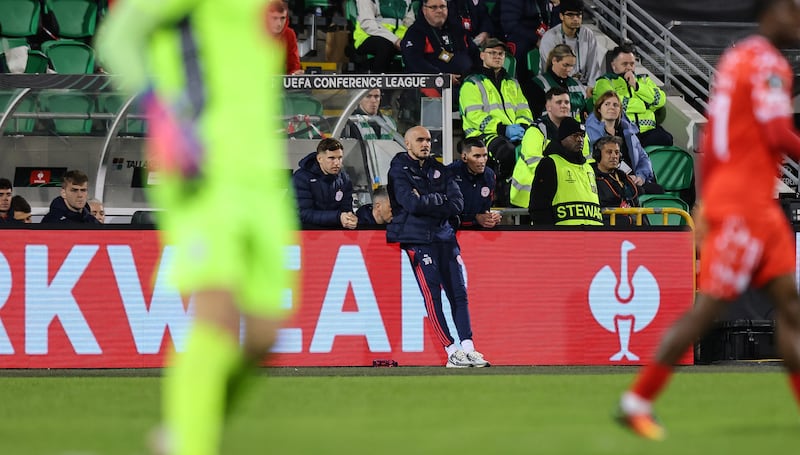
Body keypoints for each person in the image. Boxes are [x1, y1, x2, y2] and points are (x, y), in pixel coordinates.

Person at [96, 0, 299, 453]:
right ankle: (192, 444)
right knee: (218, 313)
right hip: (203, 171)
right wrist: (162, 115)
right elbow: (117, 39)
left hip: (261, 180)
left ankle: (188, 428)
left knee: (265, 336)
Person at [616, 0, 800, 440]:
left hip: (744, 198)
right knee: (712, 305)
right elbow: (777, 133)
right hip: (744, 203)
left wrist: (706, 201)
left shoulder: (737, 59)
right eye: (792, 9)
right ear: (769, 11)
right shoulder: (767, 65)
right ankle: (637, 400)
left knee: (790, 306)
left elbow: (714, 139)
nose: (798, 18)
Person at [387, 125, 490, 368]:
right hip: (418, 239)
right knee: (432, 297)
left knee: (459, 294)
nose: (426, 144)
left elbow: (457, 203)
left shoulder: (439, 169)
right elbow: (410, 204)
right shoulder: (398, 171)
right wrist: (438, 199)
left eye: (429, 140)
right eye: (420, 140)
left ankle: (468, 347)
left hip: (445, 237)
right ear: (407, 143)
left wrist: (429, 200)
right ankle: (450, 350)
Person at [459, 37, 534, 206]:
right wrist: (502, 129)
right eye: (492, 53)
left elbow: (524, 109)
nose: (498, 56)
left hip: (513, 133)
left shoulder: (512, 83)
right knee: (506, 152)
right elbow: (474, 115)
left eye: (501, 53)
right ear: (482, 55)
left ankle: (524, 199)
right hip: (482, 136)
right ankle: (502, 197)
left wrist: (522, 126)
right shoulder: (472, 83)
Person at [510, 87, 590, 208]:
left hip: (562, 196)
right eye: (559, 102)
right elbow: (534, 162)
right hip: (527, 197)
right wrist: (564, 176)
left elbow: (586, 161)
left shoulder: (579, 130)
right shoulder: (536, 130)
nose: (564, 106)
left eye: (567, 102)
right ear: (548, 107)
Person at [593, 44, 672, 148]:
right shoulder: (605, 82)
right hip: (622, 132)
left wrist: (637, 86)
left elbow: (660, 99)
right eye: (625, 64)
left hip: (649, 131)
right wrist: (645, 105)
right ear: (613, 65)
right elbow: (616, 105)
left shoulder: (643, 80)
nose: (629, 68)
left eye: (632, 64)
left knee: (666, 138)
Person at [528, 117, 601, 225]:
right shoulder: (550, 163)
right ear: (563, 137)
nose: (580, 139)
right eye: (575, 135)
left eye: (582, 135)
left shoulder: (588, 167)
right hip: (563, 238)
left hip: (593, 236)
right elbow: (538, 207)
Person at [585, 90, 656, 187]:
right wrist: (626, 176)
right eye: (607, 104)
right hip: (609, 180)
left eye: (615, 105)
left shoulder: (628, 132)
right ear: (599, 109)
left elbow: (642, 157)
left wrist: (641, 176)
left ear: (620, 110)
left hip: (634, 180)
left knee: (658, 190)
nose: (611, 107)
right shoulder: (591, 133)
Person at [400, 0, 477, 86]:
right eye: (433, 7)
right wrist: (441, 77)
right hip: (434, 83)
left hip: (468, 82)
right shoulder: (415, 32)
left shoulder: (457, 29)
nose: (439, 10)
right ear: (424, 10)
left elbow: (475, 53)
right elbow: (414, 62)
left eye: (442, 6)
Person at [537, 0, 602, 94]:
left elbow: (593, 66)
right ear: (561, 16)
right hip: (556, 86)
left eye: (578, 15)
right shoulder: (550, 37)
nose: (575, 19)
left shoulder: (588, 35)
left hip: (583, 87)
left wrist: (591, 87)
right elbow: (551, 71)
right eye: (570, 15)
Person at [292, 138, 358, 229]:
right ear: (319, 159)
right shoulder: (302, 178)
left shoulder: (344, 179)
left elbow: (346, 209)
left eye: (340, 158)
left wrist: (349, 218)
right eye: (331, 158)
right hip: (303, 233)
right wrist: (338, 217)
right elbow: (304, 214)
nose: (337, 163)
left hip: (332, 234)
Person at [590, 136, 644, 226]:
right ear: (598, 155)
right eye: (609, 152)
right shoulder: (590, 176)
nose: (614, 156)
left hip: (630, 225)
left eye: (617, 152)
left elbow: (636, 205)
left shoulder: (623, 177)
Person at [448, 137, 500, 229]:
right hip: (452, 231)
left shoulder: (490, 175)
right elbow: (443, 212)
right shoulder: (449, 174)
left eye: (485, 155)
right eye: (477, 156)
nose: (482, 161)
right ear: (464, 157)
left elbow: (485, 208)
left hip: (478, 233)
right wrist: (474, 218)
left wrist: (491, 217)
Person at [352, 0, 415, 74]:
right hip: (369, 36)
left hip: (399, 39)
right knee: (385, 46)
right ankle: (377, 82)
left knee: (418, 45)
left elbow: (410, 21)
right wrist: (395, 40)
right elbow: (367, 24)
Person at [528, 43, 588, 119]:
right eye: (565, 65)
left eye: (572, 66)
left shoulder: (577, 84)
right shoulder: (538, 84)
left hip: (576, 129)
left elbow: (585, 111)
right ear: (554, 60)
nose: (569, 70)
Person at [501, 0, 551, 88]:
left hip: (539, 34)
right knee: (520, 47)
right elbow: (511, 25)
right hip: (519, 36)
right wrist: (536, 39)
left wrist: (556, 6)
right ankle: (522, 85)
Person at [265, 0, 304, 75]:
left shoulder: (289, 34)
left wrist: (295, 73)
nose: (279, 24)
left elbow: (293, 65)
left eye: (282, 18)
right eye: (274, 18)